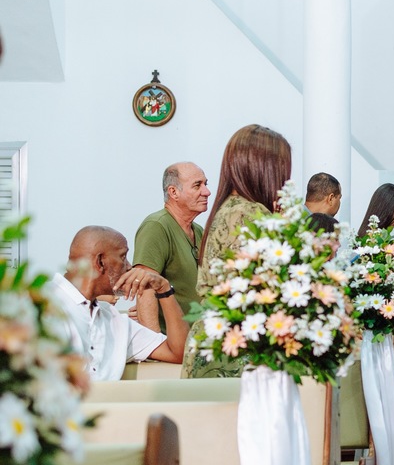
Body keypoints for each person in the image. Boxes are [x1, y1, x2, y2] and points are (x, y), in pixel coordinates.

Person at [186, 124, 292, 377]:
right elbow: (276, 284)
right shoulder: (251, 213)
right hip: (240, 347)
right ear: (264, 169)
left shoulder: (227, 208)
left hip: (212, 338)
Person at [45, 226, 189, 381]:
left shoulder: (115, 321)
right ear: (100, 262)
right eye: (123, 257)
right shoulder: (41, 306)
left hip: (111, 405)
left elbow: (180, 352)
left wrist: (164, 289)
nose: (129, 267)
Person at [132, 162, 211, 329]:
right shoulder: (156, 226)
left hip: (197, 341)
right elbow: (145, 287)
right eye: (197, 186)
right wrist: (156, 346)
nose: (207, 192)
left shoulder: (198, 231)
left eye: (205, 184)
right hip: (172, 345)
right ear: (173, 192)